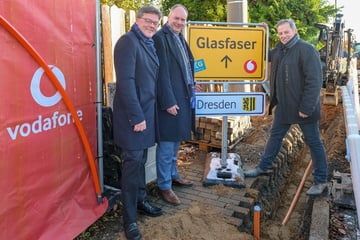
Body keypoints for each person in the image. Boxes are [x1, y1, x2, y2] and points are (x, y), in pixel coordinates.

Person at [244, 19, 328, 196]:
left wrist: (306, 107)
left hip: (304, 109)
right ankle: (263, 167)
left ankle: (321, 181)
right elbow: (263, 53)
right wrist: (261, 34)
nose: (283, 36)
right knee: (274, 137)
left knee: (314, 142)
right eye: (280, 33)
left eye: (286, 32)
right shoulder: (279, 51)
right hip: (284, 106)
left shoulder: (306, 50)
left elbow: (314, 81)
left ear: (295, 31)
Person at [112, 6, 162, 240]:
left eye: (155, 22)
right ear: (137, 19)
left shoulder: (148, 43)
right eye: (148, 21)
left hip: (147, 116)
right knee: (132, 167)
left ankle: (141, 202)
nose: (152, 25)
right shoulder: (128, 42)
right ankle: (129, 220)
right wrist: (137, 116)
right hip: (134, 119)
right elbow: (126, 82)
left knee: (141, 161)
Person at [153, 4, 201, 205]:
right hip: (170, 101)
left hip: (183, 97)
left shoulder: (179, 37)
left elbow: (185, 66)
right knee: (166, 145)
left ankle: (173, 175)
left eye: (183, 19)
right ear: (168, 17)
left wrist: (193, 82)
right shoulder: (160, 38)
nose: (180, 22)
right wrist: (168, 101)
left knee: (176, 143)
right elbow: (161, 73)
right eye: (177, 18)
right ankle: (164, 186)